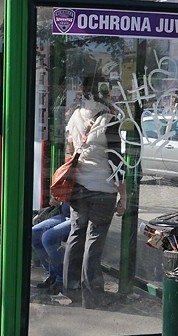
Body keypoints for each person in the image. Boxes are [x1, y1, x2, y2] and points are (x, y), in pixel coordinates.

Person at [62, 82, 126, 309]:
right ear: (105, 94)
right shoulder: (109, 120)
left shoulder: (76, 116)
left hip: (79, 187)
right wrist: (123, 196)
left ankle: (71, 289)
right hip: (102, 189)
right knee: (94, 241)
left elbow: (70, 149)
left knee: (76, 234)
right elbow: (116, 161)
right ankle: (92, 298)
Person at [31, 200, 71, 295]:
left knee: (48, 238)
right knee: (34, 233)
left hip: (78, 216)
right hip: (64, 214)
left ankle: (61, 280)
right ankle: (52, 274)